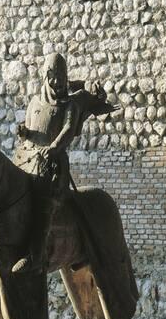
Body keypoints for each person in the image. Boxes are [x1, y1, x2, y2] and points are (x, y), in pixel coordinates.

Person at [12, 52, 119, 274]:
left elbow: (69, 129)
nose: (57, 83)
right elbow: (31, 132)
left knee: (44, 200)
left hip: (54, 165)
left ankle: (36, 254)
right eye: (53, 78)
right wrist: (24, 132)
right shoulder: (34, 103)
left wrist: (55, 147)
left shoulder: (69, 105)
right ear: (46, 77)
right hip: (29, 158)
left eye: (61, 78)